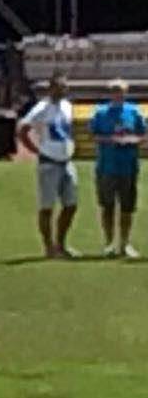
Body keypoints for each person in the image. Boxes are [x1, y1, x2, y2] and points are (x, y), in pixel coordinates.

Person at [17, 73, 78, 258]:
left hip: (66, 161)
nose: (63, 90)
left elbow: (68, 130)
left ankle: (61, 243)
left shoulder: (67, 107)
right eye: (60, 87)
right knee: (47, 207)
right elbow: (23, 128)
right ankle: (48, 247)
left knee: (71, 204)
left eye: (65, 87)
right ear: (51, 88)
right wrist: (35, 149)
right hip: (49, 162)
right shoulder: (42, 108)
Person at [89, 78, 146, 259]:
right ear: (110, 93)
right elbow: (94, 136)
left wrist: (133, 140)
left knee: (127, 207)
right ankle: (109, 243)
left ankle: (125, 243)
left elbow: (143, 134)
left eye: (121, 91)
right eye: (114, 91)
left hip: (128, 166)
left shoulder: (134, 111)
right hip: (107, 166)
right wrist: (111, 140)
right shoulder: (101, 112)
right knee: (107, 206)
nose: (118, 94)